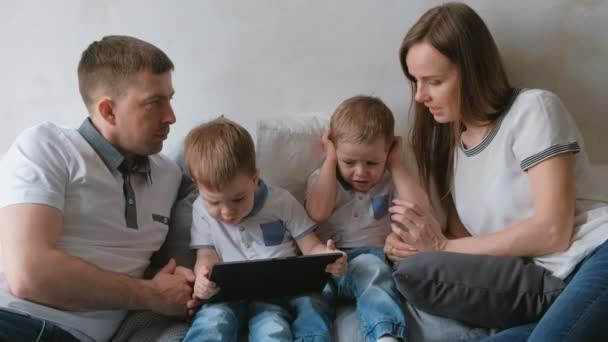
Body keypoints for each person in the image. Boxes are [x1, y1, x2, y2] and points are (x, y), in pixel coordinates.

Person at [385, 2, 608, 341]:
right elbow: (470, 245)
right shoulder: (456, 152)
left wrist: (440, 247)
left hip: (596, 253)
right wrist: (413, 246)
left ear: (473, 71)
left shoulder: (533, 110)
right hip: (552, 284)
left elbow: (553, 231)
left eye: (434, 81)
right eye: (415, 81)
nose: (420, 96)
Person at [0, 35, 195, 342]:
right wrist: (150, 294)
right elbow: (29, 274)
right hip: (16, 321)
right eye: (155, 102)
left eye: (170, 98)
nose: (171, 116)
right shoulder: (47, 146)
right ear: (108, 111)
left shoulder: (171, 175)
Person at [182, 117, 347, 342]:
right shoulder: (199, 209)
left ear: (255, 178)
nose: (228, 212)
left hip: (273, 294)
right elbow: (206, 255)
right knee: (211, 322)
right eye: (214, 202)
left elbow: (311, 246)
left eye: (238, 199)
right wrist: (202, 277)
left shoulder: (281, 202)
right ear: (197, 185)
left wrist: (328, 257)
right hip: (225, 294)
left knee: (272, 328)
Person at [305, 95, 429, 342]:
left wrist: (395, 165)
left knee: (375, 276)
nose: (361, 172)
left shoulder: (389, 179)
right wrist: (330, 160)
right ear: (334, 150)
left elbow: (420, 209)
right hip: (326, 260)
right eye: (349, 162)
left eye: (372, 162)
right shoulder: (323, 178)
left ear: (388, 151)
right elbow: (318, 213)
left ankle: (385, 334)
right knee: (307, 300)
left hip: (371, 257)